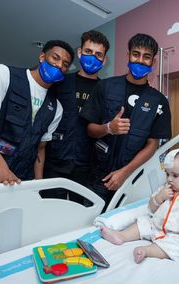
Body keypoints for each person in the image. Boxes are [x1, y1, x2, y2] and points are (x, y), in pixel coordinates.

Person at [0, 39, 74, 225]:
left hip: (18, 184)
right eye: (55, 58)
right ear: (42, 57)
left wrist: (37, 187)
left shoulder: (55, 108)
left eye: (65, 65)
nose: (59, 65)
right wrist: (0, 167)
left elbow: (40, 148)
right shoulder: (5, 75)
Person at [80, 33, 172, 208]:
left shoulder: (159, 101)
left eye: (146, 57)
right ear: (127, 56)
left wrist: (125, 172)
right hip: (98, 176)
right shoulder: (105, 87)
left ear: (153, 62)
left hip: (132, 179)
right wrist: (108, 128)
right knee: (89, 226)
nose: (140, 60)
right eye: (136, 54)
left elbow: (152, 144)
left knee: (121, 226)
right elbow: (90, 129)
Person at [101, 149, 179, 263]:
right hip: (156, 226)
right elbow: (151, 209)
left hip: (178, 234)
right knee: (143, 222)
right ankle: (121, 236)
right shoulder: (164, 189)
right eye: (167, 174)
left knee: (175, 246)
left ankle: (147, 251)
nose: (169, 179)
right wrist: (159, 197)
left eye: (175, 175)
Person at [43, 30, 110, 203]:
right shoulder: (60, 81)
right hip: (54, 161)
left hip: (86, 165)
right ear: (80, 53)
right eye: (88, 52)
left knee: (79, 215)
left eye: (98, 54)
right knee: (48, 211)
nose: (92, 57)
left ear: (104, 60)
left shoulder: (106, 90)